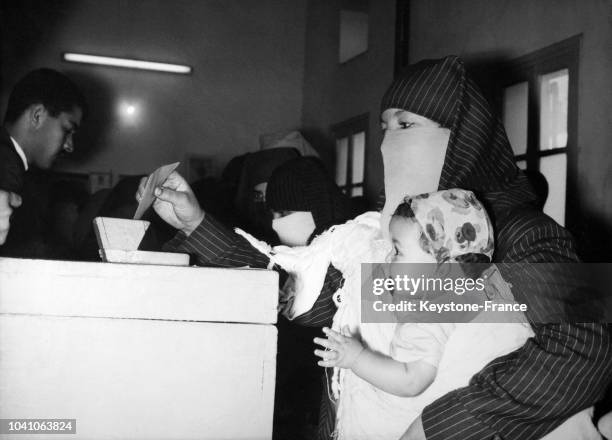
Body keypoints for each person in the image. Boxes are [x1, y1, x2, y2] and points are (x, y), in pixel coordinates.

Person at [374, 55, 611, 440]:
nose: (388, 142)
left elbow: (585, 346)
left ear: (461, 138)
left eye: (406, 124)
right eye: (384, 127)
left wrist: (444, 425)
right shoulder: (403, 225)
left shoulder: (521, 231)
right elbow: (373, 310)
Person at [0, 68, 85, 248]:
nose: (70, 146)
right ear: (37, 116)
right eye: (67, 130)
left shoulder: (16, 168)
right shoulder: (6, 166)